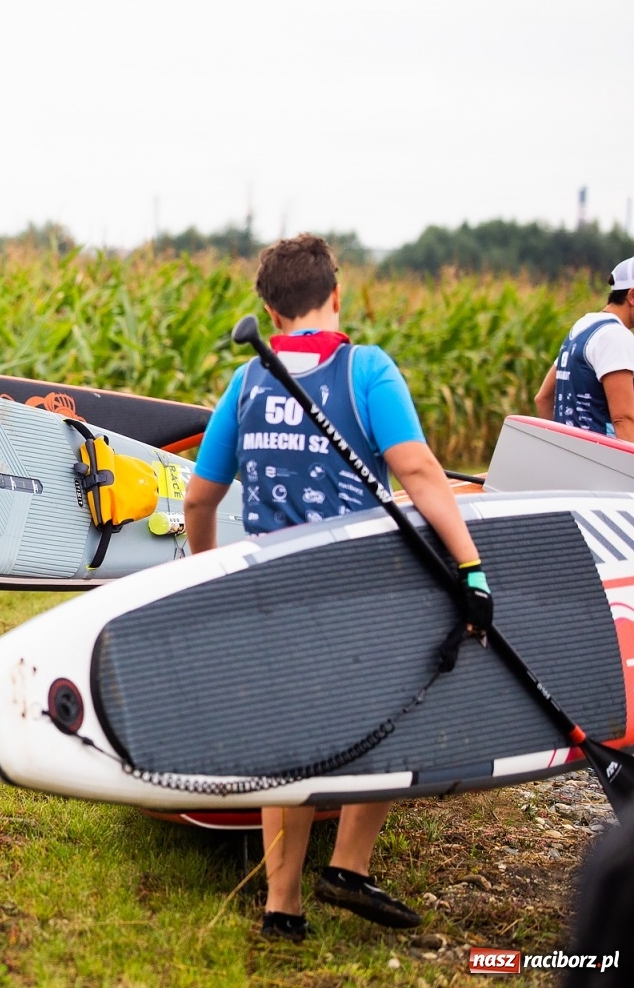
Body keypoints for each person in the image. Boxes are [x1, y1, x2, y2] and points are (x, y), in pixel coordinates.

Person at [182, 233, 493, 942]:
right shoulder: (367, 369)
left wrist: (207, 572)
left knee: (290, 740)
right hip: (355, 588)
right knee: (396, 714)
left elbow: (200, 499)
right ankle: (348, 866)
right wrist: (471, 569)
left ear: (269, 309)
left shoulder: (248, 381)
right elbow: (418, 472)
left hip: (272, 589)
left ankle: (282, 908)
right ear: (337, 294)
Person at [534, 256, 634, 441]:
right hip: (602, 457)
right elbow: (623, 419)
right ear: (632, 296)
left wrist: (558, 446)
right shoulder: (616, 337)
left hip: (571, 455)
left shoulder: (583, 327)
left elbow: (543, 399)